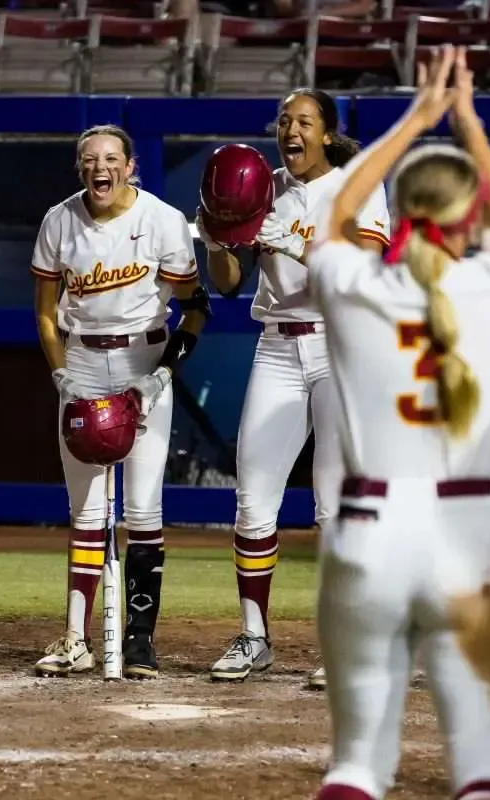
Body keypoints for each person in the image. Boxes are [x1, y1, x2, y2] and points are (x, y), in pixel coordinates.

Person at [305, 46, 490, 800]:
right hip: (473, 533)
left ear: (401, 218)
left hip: (369, 528)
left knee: (356, 770)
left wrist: (417, 117)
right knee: (484, 772)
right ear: (468, 219)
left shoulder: (355, 283)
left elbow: (337, 215)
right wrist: (468, 122)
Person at [199, 88, 390, 688]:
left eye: (304, 121)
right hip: (279, 344)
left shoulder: (359, 183)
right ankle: (255, 637)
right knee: (253, 495)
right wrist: (217, 241)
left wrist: (296, 243)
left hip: (343, 346)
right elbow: (230, 283)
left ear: (328, 133)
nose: (291, 129)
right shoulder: (264, 184)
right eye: (284, 120)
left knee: (335, 507)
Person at [31, 123, 210, 679]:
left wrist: (161, 377)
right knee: (84, 511)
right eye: (89, 159)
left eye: (111, 158)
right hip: (82, 363)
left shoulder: (162, 222)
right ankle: (75, 639)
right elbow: (44, 311)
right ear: (80, 168)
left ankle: (138, 640)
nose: (99, 167)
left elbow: (196, 307)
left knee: (143, 509)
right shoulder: (59, 220)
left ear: (130, 166)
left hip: (144, 363)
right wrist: (61, 374)